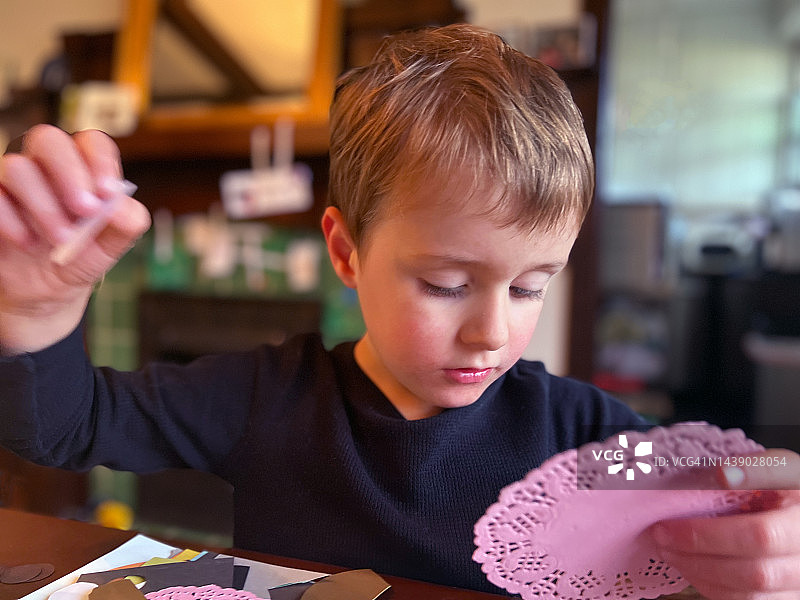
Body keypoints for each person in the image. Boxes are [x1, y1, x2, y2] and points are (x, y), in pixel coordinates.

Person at [0, 24, 799, 598]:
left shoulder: (573, 436)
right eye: (448, 284)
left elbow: (739, 471)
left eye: (530, 286)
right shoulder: (264, 399)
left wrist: (783, 505)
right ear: (346, 253)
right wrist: (38, 315)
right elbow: (68, 426)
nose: (493, 331)